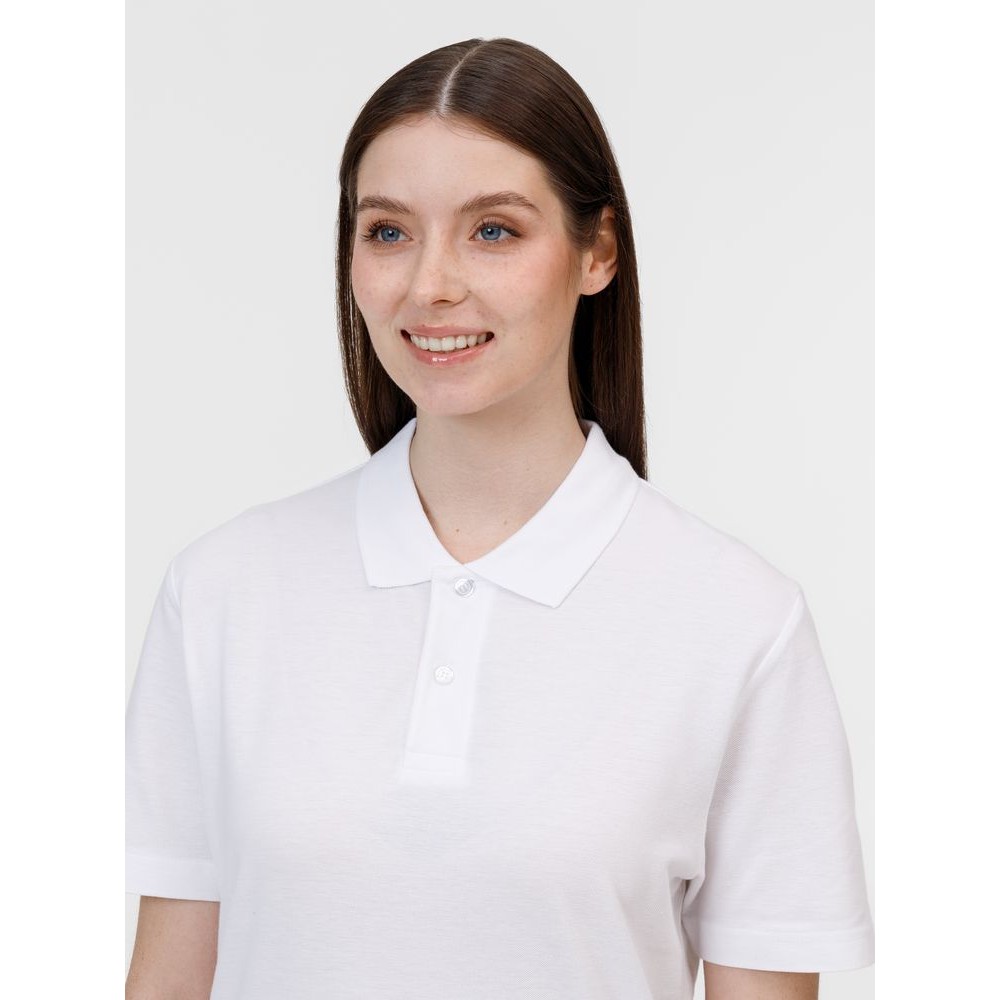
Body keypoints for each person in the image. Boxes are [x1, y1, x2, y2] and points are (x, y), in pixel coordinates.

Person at [125, 36, 874, 1000]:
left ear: (597, 251)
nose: (431, 284)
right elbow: (168, 980)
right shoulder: (222, 591)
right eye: (388, 231)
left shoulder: (739, 623)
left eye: (492, 230)